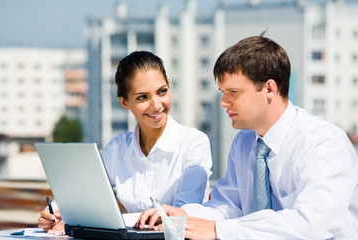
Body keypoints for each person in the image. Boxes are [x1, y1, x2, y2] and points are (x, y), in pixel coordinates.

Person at [137, 35, 358, 239]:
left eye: (233, 92)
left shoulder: (323, 143)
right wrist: (184, 215)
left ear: (269, 89)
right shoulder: (244, 142)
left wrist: (218, 230)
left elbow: (311, 224)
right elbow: (228, 206)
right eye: (222, 92)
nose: (223, 102)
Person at [38, 51, 212, 234]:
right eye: (142, 97)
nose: (156, 105)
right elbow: (83, 193)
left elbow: (181, 214)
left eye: (162, 91)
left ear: (169, 86)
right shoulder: (117, 149)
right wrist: (57, 214)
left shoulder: (194, 143)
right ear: (124, 102)